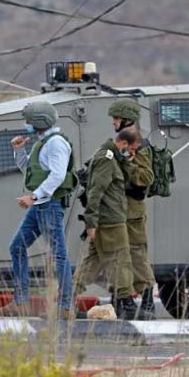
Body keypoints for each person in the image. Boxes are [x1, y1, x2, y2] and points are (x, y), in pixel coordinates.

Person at [0, 101, 76, 319]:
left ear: (39, 121)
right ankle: (20, 302)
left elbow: (58, 175)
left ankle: (65, 306)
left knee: (58, 255)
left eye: (29, 121)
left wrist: (33, 196)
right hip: (41, 204)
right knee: (17, 247)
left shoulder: (56, 144)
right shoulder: (43, 143)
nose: (26, 124)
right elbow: (30, 171)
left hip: (49, 204)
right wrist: (19, 151)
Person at [73, 126, 141, 320]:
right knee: (121, 261)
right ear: (124, 143)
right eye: (131, 149)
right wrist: (91, 222)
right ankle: (127, 305)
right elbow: (96, 191)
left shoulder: (112, 158)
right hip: (110, 221)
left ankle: (66, 299)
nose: (132, 153)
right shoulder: (107, 159)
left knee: (91, 263)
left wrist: (126, 160)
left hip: (108, 220)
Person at [110, 99, 156, 320]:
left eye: (116, 118)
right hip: (116, 208)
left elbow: (146, 177)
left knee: (137, 256)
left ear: (127, 119)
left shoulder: (140, 145)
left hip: (132, 209)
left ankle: (147, 305)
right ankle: (120, 302)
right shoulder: (120, 142)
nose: (113, 122)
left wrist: (127, 161)